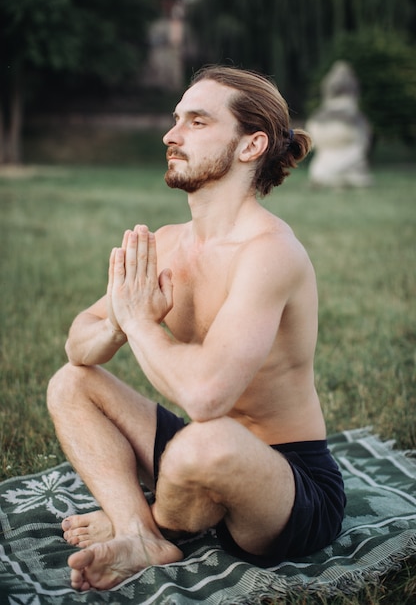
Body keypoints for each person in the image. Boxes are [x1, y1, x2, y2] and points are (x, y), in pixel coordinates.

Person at [47, 65, 346, 592]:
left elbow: (207, 397)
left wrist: (139, 323)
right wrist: (118, 318)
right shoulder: (165, 242)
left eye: (197, 122)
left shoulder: (270, 252)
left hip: (289, 480)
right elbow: (79, 344)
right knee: (69, 383)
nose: (171, 134)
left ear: (251, 145)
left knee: (203, 445)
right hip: (196, 448)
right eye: (175, 119)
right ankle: (141, 532)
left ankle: (152, 512)